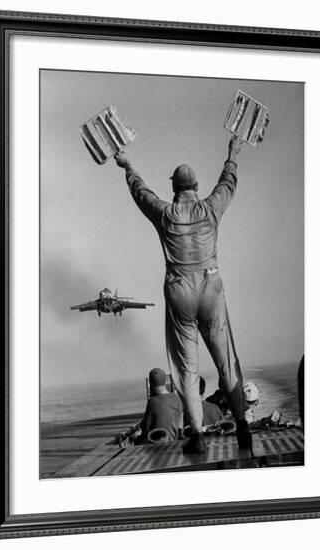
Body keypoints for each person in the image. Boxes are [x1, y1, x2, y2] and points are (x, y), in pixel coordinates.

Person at [114, 135, 251, 453]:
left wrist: (128, 165)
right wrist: (232, 152)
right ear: (196, 186)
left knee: (187, 369)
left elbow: (141, 192)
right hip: (210, 287)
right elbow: (227, 182)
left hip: (180, 293)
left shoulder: (164, 214)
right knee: (226, 363)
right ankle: (242, 425)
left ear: (174, 187)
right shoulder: (211, 209)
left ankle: (198, 436)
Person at [136, 368, 183, 443]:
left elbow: (146, 428)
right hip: (174, 439)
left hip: (156, 442)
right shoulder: (176, 398)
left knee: (136, 439)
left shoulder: (153, 401)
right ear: (164, 381)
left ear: (151, 384)